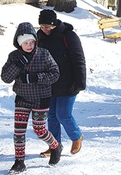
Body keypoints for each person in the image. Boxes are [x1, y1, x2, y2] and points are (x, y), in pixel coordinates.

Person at [1, 22, 61, 173]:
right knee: (19, 131)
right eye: (25, 43)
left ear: (35, 41)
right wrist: (18, 65)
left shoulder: (44, 54)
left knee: (39, 129)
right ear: (19, 43)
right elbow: (6, 78)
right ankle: (19, 162)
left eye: (31, 42)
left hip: (41, 98)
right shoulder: (14, 56)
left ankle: (55, 145)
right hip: (22, 98)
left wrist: (36, 77)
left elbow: (55, 73)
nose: (29, 46)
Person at [37, 9, 86, 157]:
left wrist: (80, 82)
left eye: (47, 27)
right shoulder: (40, 37)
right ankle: (54, 146)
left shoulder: (68, 36)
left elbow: (79, 59)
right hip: (49, 84)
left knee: (63, 114)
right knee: (51, 116)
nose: (44, 30)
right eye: (42, 26)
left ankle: (76, 136)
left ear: (53, 24)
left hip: (68, 82)